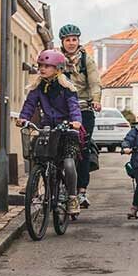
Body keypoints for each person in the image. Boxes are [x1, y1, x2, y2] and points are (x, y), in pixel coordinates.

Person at [17, 49, 84, 214]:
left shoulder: (66, 87)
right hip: (48, 128)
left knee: (68, 163)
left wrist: (76, 121)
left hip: (67, 129)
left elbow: (74, 106)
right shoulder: (38, 87)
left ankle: (72, 197)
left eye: (47, 66)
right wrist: (23, 118)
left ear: (57, 68)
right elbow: (29, 104)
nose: (42, 69)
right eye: (41, 65)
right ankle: (33, 185)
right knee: (36, 153)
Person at [58, 24, 102, 209]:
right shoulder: (57, 59)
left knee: (82, 149)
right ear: (62, 42)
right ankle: (58, 186)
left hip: (83, 107)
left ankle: (82, 191)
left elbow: (94, 82)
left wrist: (96, 99)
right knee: (57, 146)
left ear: (78, 41)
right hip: (62, 109)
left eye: (74, 39)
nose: (71, 43)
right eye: (67, 40)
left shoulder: (86, 61)